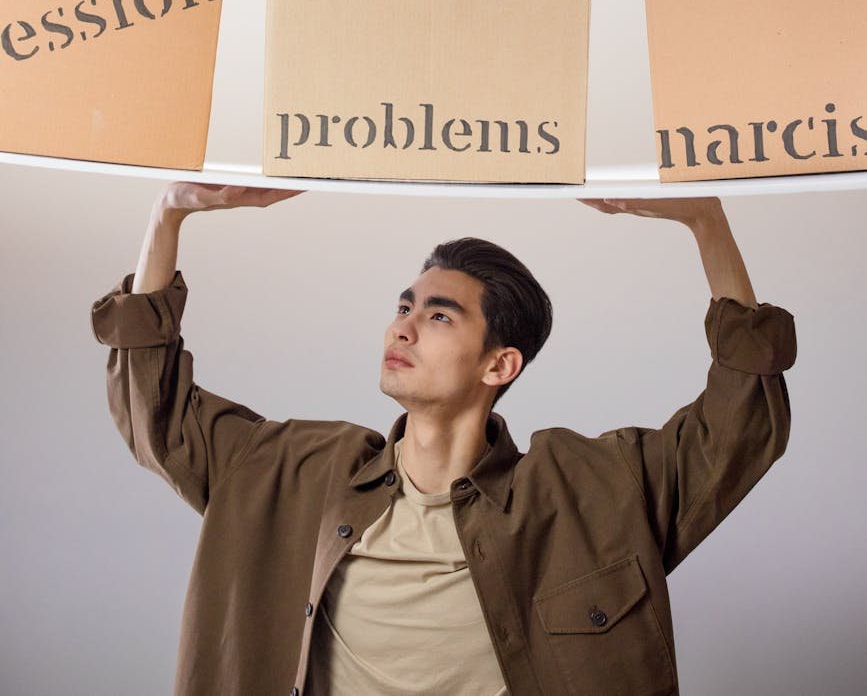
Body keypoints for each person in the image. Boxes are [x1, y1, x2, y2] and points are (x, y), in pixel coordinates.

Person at [90, 184, 796, 696]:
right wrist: (168, 213)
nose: (401, 327)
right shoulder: (290, 471)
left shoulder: (592, 490)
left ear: (499, 364)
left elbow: (741, 424)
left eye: (437, 316)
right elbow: (156, 410)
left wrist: (707, 222)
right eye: (403, 307)